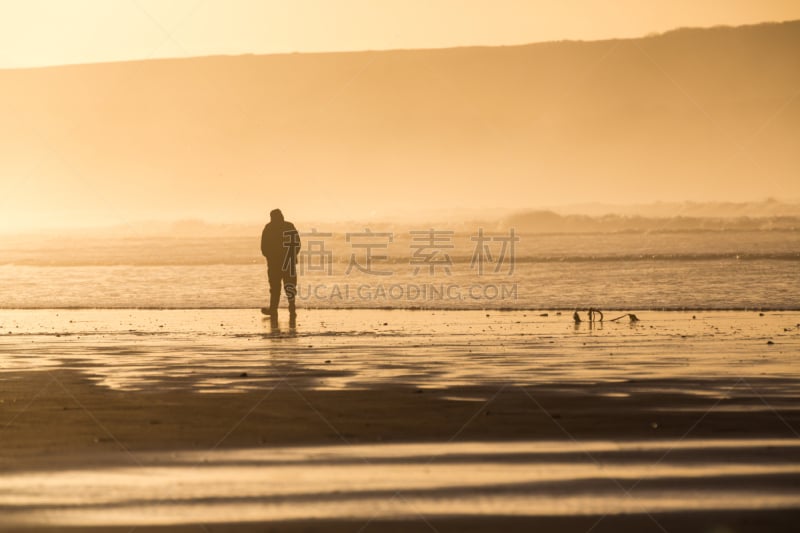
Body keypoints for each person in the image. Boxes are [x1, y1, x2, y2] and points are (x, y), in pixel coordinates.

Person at [260, 209, 300, 319]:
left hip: (275, 264)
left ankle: (274, 309)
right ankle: (291, 307)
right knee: (290, 286)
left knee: (275, 287)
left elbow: (264, 247)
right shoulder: (289, 226)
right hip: (288, 263)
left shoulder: (269, 228)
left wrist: (270, 257)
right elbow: (296, 244)